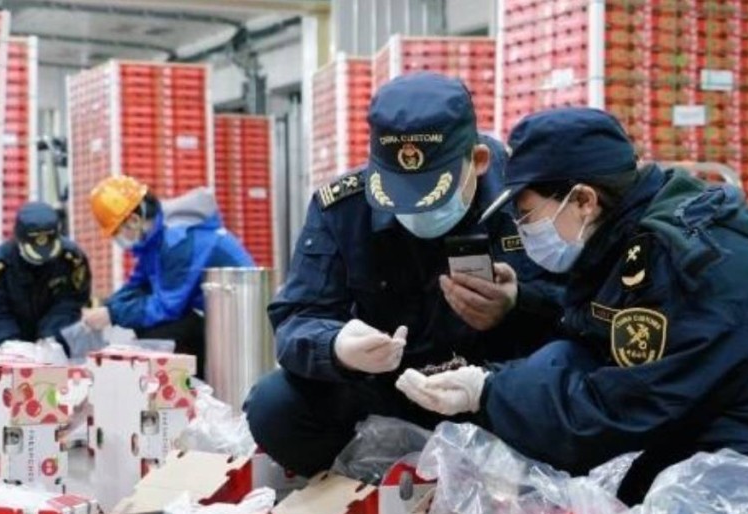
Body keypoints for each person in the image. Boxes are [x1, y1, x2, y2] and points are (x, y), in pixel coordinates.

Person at [395, 107, 748, 506]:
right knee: (610, 499)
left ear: (583, 200)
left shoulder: (686, 264)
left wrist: (490, 393)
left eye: (527, 215)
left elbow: (622, 406)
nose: (523, 232)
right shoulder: (621, 246)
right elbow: (587, 343)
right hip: (725, 423)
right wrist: (495, 361)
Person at [243, 72, 568, 477]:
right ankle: (362, 484)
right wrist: (337, 346)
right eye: (400, 194)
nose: (416, 210)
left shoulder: (525, 199)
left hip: (495, 391)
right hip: (387, 390)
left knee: (566, 390)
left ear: (479, 161)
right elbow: (297, 316)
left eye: (432, 194)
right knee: (275, 405)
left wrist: (518, 304)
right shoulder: (345, 208)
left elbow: (581, 313)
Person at [82, 176, 254, 372]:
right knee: (144, 322)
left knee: (158, 330)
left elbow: (166, 307)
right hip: (210, 315)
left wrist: (113, 314)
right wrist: (107, 308)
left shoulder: (177, 241)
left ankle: (190, 380)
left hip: (236, 324)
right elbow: (138, 285)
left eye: (116, 232)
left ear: (134, 220)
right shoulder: (155, 238)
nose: (118, 240)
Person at [0, 201, 91, 352]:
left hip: (53, 346)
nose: (41, 260)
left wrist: (52, 336)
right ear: (19, 240)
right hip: (1, 348)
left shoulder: (72, 260)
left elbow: (71, 302)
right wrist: (9, 342)